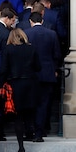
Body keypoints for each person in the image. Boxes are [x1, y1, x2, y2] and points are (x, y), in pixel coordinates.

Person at [0, 28, 40, 152]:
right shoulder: (31, 49)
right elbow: (38, 67)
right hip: (30, 83)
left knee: (18, 117)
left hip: (15, 84)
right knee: (30, 113)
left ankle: (21, 146)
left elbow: (3, 69)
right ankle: (33, 133)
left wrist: (1, 83)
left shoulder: (8, 50)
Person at [24, 12, 61, 142]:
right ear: (42, 20)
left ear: (31, 21)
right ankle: (40, 132)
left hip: (31, 74)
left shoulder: (26, 33)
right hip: (47, 73)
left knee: (30, 104)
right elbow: (56, 54)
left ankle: (30, 131)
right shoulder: (52, 34)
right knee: (43, 104)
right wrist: (55, 69)